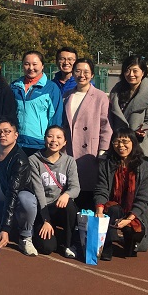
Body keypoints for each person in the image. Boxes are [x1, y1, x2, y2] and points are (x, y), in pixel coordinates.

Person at [95, 128, 148, 259]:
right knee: (112, 210)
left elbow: (143, 199)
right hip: (113, 207)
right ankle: (106, 247)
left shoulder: (145, 168)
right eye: (116, 142)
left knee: (133, 237)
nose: (121, 146)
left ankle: (130, 242)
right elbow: (101, 189)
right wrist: (99, 210)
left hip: (133, 213)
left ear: (133, 143)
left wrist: (128, 219)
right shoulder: (106, 165)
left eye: (125, 141)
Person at [63, 58, 112, 210]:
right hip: (69, 150)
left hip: (90, 151)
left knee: (89, 191)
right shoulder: (67, 96)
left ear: (92, 75)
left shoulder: (100, 96)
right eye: (78, 71)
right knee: (71, 190)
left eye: (86, 72)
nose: (81, 75)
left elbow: (106, 125)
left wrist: (103, 150)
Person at [0, 118, 38, 256]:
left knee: (26, 199)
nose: (2, 135)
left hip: (13, 201)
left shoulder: (20, 160)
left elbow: (12, 193)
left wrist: (6, 228)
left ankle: (25, 236)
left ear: (16, 135)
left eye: (7, 131)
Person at [29, 126, 80, 258]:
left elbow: (75, 187)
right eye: (50, 136)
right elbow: (39, 191)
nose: (54, 140)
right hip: (43, 208)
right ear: (44, 139)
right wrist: (46, 219)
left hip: (60, 207)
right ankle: (47, 233)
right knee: (47, 248)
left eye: (59, 137)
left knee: (70, 205)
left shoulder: (69, 161)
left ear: (64, 142)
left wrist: (66, 194)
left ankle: (69, 244)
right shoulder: (34, 160)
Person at [108, 55, 148, 166]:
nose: (131, 74)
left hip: (141, 149)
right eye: (127, 70)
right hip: (119, 148)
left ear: (143, 72)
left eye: (135, 71)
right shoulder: (116, 91)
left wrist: (143, 131)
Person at [10, 51, 63, 156]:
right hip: (17, 143)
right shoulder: (14, 86)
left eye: (34, 64)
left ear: (42, 66)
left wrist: (52, 141)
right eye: (27, 64)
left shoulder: (51, 88)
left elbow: (56, 118)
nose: (30, 68)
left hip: (39, 145)